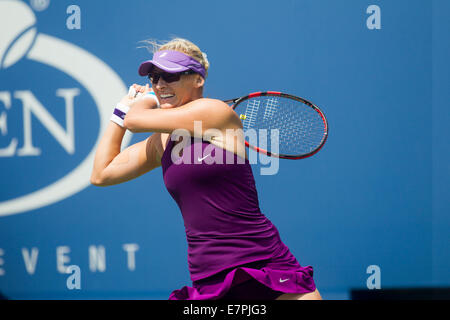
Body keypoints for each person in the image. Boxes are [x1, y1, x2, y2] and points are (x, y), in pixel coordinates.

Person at [90, 38, 322, 300]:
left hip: (266, 266)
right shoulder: (162, 141)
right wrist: (119, 112)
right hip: (209, 278)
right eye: (154, 77)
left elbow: (136, 120)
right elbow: (101, 174)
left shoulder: (214, 112)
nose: (160, 84)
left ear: (198, 79)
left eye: (170, 76)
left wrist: (141, 101)